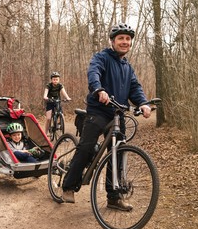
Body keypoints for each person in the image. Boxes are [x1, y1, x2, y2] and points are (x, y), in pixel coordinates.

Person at [61, 23, 152, 210]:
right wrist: (99, 89)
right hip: (98, 111)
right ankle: (68, 186)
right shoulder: (101, 58)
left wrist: (142, 103)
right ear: (113, 41)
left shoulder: (128, 67)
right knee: (86, 148)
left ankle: (113, 197)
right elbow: (93, 73)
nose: (125, 42)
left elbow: (135, 88)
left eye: (128, 39)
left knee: (118, 154)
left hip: (118, 115)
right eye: (121, 38)